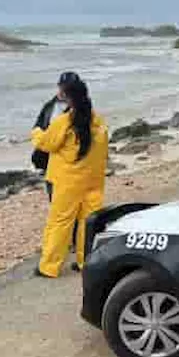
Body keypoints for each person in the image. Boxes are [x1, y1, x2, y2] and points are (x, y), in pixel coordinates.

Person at [31, 78, 108, 278]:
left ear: (66, 97)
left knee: (60, 222)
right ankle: (86, 262)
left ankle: (49, 266)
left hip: (68, 181)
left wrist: (37, 132)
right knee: (88, 222)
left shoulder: (64, 121)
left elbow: (46, 143)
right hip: (93, 180)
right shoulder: (97, 120)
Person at [32, 71, 80, 200]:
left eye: (68, 88)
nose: (63, 91)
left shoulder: (81, 110)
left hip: (68, 161)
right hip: (48, 159)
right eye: (62, 87)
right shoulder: (50, 105)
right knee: (53, 196)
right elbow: (38, 125)